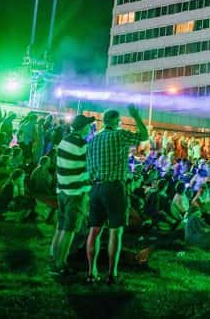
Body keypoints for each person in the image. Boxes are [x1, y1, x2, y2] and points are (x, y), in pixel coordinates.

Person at [85, 105, 148, 285]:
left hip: (96, 187)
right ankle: (112, 274)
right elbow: (144, 136)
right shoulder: (119, 135)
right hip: (114, 187)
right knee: (115, 231)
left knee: (94, 230)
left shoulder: (93, 140)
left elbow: (88, 167)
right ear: (116, 121)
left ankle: (91, 272)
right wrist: (136, 116)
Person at [50, 115, 93, 274]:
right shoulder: (82, 144)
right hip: (75, 192)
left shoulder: (64, 140)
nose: (89, 128)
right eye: (88, 125)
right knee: (69, 230)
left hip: (62, 189)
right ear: (83, 127)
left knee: (61, 226)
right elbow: (90, 166)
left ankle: (54, 256)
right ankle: (60, 264)